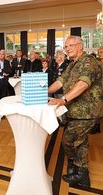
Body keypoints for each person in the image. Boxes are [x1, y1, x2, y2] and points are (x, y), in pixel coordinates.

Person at [48, 36, 102, 187]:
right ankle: (82, 176)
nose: (68, 48)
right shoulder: (72, 65)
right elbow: (60, 82)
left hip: (87, 112)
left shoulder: (89, 62)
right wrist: (44, 92)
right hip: (75, 111)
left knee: (68, 141)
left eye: (71, 45)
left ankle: (75, 167)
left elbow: (83, 84)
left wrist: (63, 99)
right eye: (66, 46)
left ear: (81, 46)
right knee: (81, 142)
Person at [90, 46, 103, 134]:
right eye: (99, 52)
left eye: (101, 52)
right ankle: (96, 126)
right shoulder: (96, 62)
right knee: (97, 108)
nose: (99, 54)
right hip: (98, 89)